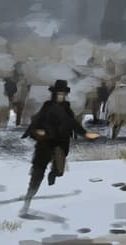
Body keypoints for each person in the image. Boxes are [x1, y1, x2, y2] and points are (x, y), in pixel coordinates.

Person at [20, 79, 100, 215]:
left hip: (59, 145)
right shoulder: (47, 106)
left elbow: (73, 124)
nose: (61, 96)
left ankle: (53, 173)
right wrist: (38, 130)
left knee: (59, 170)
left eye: (63, 94)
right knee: (37, 176)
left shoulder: (67, 109)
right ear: (54, 94)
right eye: (58, 94)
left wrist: (85, 134)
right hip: (45, 145)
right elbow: (37, 121)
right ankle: (27, 202)